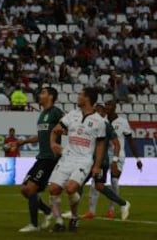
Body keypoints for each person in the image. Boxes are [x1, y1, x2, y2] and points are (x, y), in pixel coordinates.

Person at [48, 87, 106, 232]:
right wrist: (53, 144)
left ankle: (74, 217)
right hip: (67, 157)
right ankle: (59, 222)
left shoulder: (99, 121)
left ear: (87, 98)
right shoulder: (72, 115)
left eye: (80, 95)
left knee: (70, 188)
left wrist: (97, 166)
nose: (78, 97)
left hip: (84, 160)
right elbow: (56, 130)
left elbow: (100, 146)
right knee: (53, 189)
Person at [17, 87, 64, 232]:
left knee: (31, 189)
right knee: (25, 190)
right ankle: (47, 211)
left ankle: (34, 225)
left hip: (50, 158)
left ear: (50, 96)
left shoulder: (56, 112)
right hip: (41, 157)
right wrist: (23, 142)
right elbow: (41, 136)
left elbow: (66, 128)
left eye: (43, 93)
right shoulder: (42, 114)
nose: (39, 95)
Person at [78, 102, 131, 220]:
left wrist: (115, 161)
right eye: (96, 110)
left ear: (103, 113)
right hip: (89, 160)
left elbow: (116, 144)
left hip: (101, 161)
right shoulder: (90, 124)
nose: (97, 112)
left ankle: (123, 203)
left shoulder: (106, 125)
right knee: (78, 184)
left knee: (99, 186)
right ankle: (75, 212)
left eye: (100, 110)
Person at [103, 100, 142, 218]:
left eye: (109, 105)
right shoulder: (102, 121)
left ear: (115, 108)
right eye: (106, 105)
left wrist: (138, 159)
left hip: (118, 154)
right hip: (104, 155)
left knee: (114, 181)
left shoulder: (122, 122)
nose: (107, 107)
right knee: (97, 182)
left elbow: (130, 141)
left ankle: (112, 208)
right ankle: (94, 210)